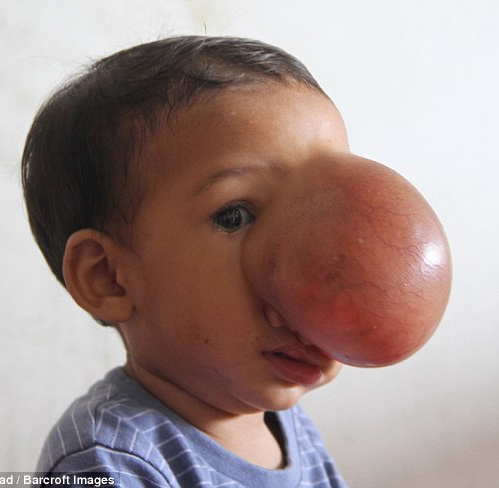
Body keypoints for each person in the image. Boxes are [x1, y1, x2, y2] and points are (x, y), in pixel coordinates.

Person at [22, 35, 349, 487]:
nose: (302, 267)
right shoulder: (106, 462)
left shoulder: (293, 428)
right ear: (108, 277)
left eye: (325, 214)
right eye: (235, 216)